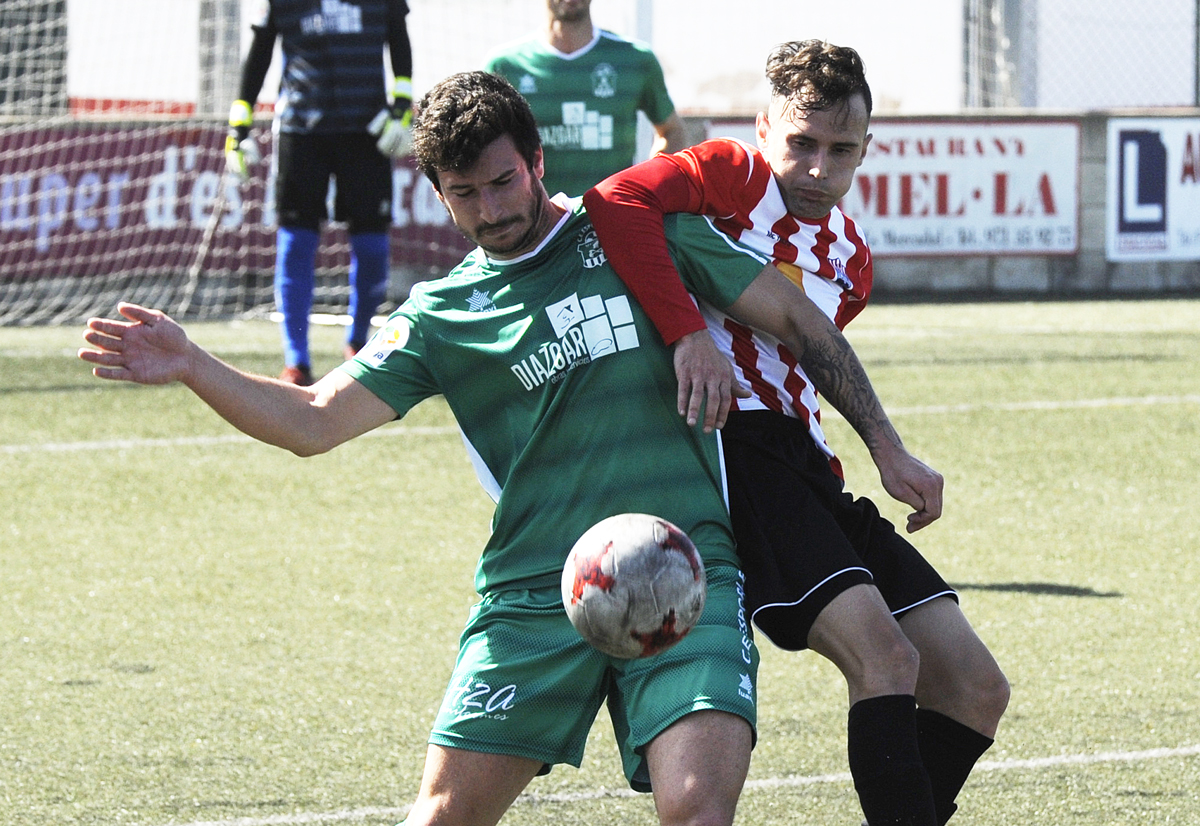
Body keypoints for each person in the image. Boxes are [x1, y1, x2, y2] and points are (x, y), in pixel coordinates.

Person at [79, 70, 820, 826]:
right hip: (534, 595)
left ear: (535, 159)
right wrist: (193, 366)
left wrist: (882, 449)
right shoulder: (439, 316)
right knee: (439, 819)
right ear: (437, 193)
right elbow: (313, 420)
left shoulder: (634, 228)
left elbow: (798, 318)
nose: (491, 210)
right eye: (464, 193)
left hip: (683, 570)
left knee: (697, 810)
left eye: (503, 181)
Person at [583, 40, 1011, 826]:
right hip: (733, 456)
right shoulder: (731, 178)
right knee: (885, 660)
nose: (818, 169)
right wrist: (686, 333)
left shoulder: (851, 258)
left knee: (977, 687)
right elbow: (614, 201)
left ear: (865, 149)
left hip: (806, 464)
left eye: (841, 150)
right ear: (763, 128)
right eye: (801, 144)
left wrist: (883, 451)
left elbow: (808, 358)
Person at [224, 0, 415, 386]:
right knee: (296, 244)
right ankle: (297, 361)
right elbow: (259, 54)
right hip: (301, 132)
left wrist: (402, 111)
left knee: (374, 248)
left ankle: (360, 345)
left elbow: (399, 43)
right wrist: (238, 127)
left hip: (367, 133)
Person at [484, 0, 687, 199]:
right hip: (537, 225)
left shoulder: (634, 59)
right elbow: (486, 147)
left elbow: (671, 130)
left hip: (612, 217)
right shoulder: (506, 65)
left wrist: (650, 186)